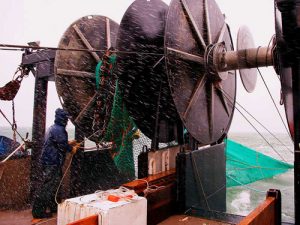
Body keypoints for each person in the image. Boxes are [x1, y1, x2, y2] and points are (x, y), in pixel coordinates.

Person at [32, 108, 80, 221]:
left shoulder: (53, 128)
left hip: (49, 162)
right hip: (52, 163)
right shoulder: (60, 130)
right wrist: (72, 148)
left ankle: (53, 206)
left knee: (55, 186)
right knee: (48, 187)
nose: (68, 121)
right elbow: (62, 146)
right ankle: (38, 212)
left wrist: (69, 143)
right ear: (63, 119)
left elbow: (57, 143)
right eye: (66, 119)